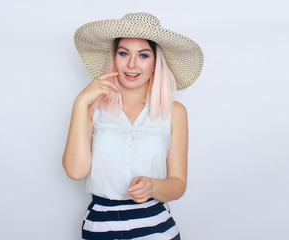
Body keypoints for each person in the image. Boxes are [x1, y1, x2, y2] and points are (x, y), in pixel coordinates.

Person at [63, 12, 203, 240]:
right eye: (124, 53)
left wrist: (152, 186)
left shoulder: (174, 113)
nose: (131, 64)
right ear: (114, 57)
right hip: (100, 226)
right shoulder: (92, 109)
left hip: (156, 227)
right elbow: (75, 171)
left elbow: (178, 184)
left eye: (143, 55)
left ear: (156, 62)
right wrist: (80, 102)